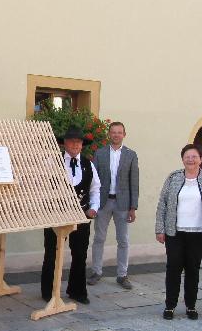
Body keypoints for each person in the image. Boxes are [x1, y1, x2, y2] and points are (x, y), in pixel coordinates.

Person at [155, 144, 202, 320]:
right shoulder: (173, 177)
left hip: (198, 233)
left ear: (201, 159)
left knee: (193, 269)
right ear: (182, 158)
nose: (190, 159)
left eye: (194, 156)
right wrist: (160, 229)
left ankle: (191, 306)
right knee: (173, 269)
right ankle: (170, 306)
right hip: (174, 233)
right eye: (187, 156)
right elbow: (163, 204)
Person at [41, 127, 100, 305]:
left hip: (81, 215)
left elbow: (96, 189)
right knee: (52, 253)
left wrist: (94, 208)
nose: (75, 144)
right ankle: (48, 291)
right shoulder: (52, 162)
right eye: (72, 141)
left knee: (80, 253)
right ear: (64, 143)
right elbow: (42, 186)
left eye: (79, 142)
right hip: (56, 215)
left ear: (82, 145)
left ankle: (77, 291)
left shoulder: (88, 164)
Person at [89, 121, 139, 289]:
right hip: (103, 202)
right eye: (113, 132)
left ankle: (122, 275)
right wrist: (93, 204)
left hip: (122, 204)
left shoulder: (131, 155)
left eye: (119, 132)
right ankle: (96, 271)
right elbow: (94, 181)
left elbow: (134, 182)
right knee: (99, 238)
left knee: (123, 240)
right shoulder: (100, 153)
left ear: (124, 134)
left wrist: (133, 207)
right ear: (109, 134)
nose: (116, 135)